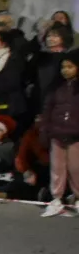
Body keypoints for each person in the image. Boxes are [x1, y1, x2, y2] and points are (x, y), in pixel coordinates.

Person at [42, 52, 79, 216]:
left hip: (76, 136)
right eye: (63, 67)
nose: (66, 70)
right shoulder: (56, 88)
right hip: (57, 134)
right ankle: (56, 199)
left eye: (70, 66)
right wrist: (46, 130)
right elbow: (48, 111)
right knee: (57, 169)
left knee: (76, 168)